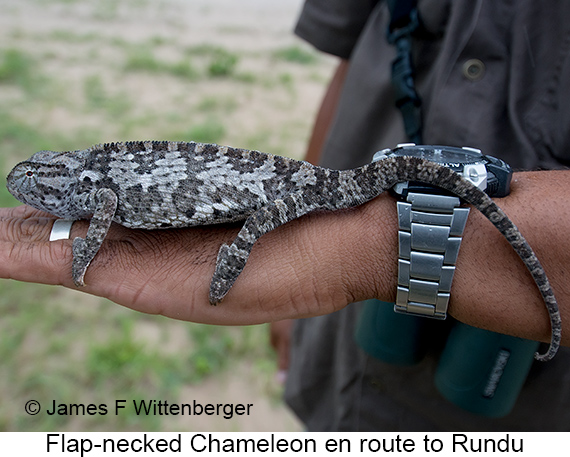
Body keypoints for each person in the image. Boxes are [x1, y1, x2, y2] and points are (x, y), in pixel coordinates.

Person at [1, 0, 569, 431]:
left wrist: (89, 251)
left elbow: (101, 208)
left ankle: (238, 254)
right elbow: (345, 48)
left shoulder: (94, 191)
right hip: (340, 333)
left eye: (39, 186)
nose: (34, 192)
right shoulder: (90, 179)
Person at [272, 0, 570, 431]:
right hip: (345, 300)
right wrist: (290, 290)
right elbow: (346, 53)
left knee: (481, 386)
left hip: (523, 397)